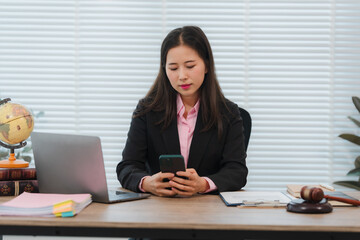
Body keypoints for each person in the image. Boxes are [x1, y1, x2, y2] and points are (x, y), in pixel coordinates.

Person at [116, 26, 248, 197]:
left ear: (207, 65)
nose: (182, 76)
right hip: (158, 208)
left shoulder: (228, 113)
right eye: (173, 68)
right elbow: (127, 166)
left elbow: (237, 171)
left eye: (190, 66)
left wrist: (203, 184)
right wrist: (147, 183)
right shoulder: (147, 110)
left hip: (208, 211)